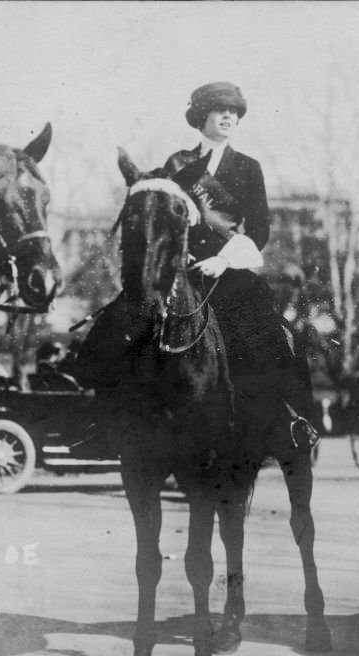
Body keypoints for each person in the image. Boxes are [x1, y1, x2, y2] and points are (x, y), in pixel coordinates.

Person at [78, 81, 315, 442]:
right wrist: (174, 252)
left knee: (268, 334)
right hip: (178, 273)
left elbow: (261, 229)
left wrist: (223, 260)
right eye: (221, 109)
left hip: (228, 272)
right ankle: (103, 421)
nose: (228, 117)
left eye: (234, 112)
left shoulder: (248, 167)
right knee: (116, 324)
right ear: (202, 115)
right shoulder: (176, 164)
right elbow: (157, 216)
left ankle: (288, 417)